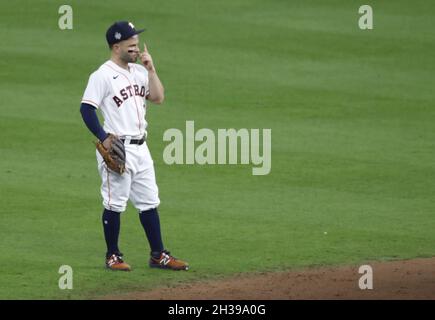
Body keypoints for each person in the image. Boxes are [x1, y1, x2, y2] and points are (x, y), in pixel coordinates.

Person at [80, 21, 188, 271]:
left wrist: (151, 69)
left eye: (137, 44)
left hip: (142, 147)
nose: (136, 48)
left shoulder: (140, 72)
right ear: (116, 46)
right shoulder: (102, 75)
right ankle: (112, 256)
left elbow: (159, 98)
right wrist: (103, 135)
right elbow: (86, 108)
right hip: (118, 148)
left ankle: (158, 255)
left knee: (149, 201)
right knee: (114, 203)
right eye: (131, 45)